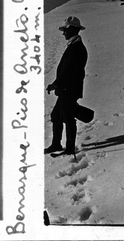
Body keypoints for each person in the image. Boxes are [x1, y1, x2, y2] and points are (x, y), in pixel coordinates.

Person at [45, 16, 88, 155]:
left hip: (68, 89)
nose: (63, 33)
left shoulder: (76, 48)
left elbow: (69, 71)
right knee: (56, 116)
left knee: (68, 118)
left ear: (71, 29)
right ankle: (56, 144)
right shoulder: (74, 46)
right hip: (66, 89)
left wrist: (55, 84)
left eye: (65, 30)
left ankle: (69, 148)